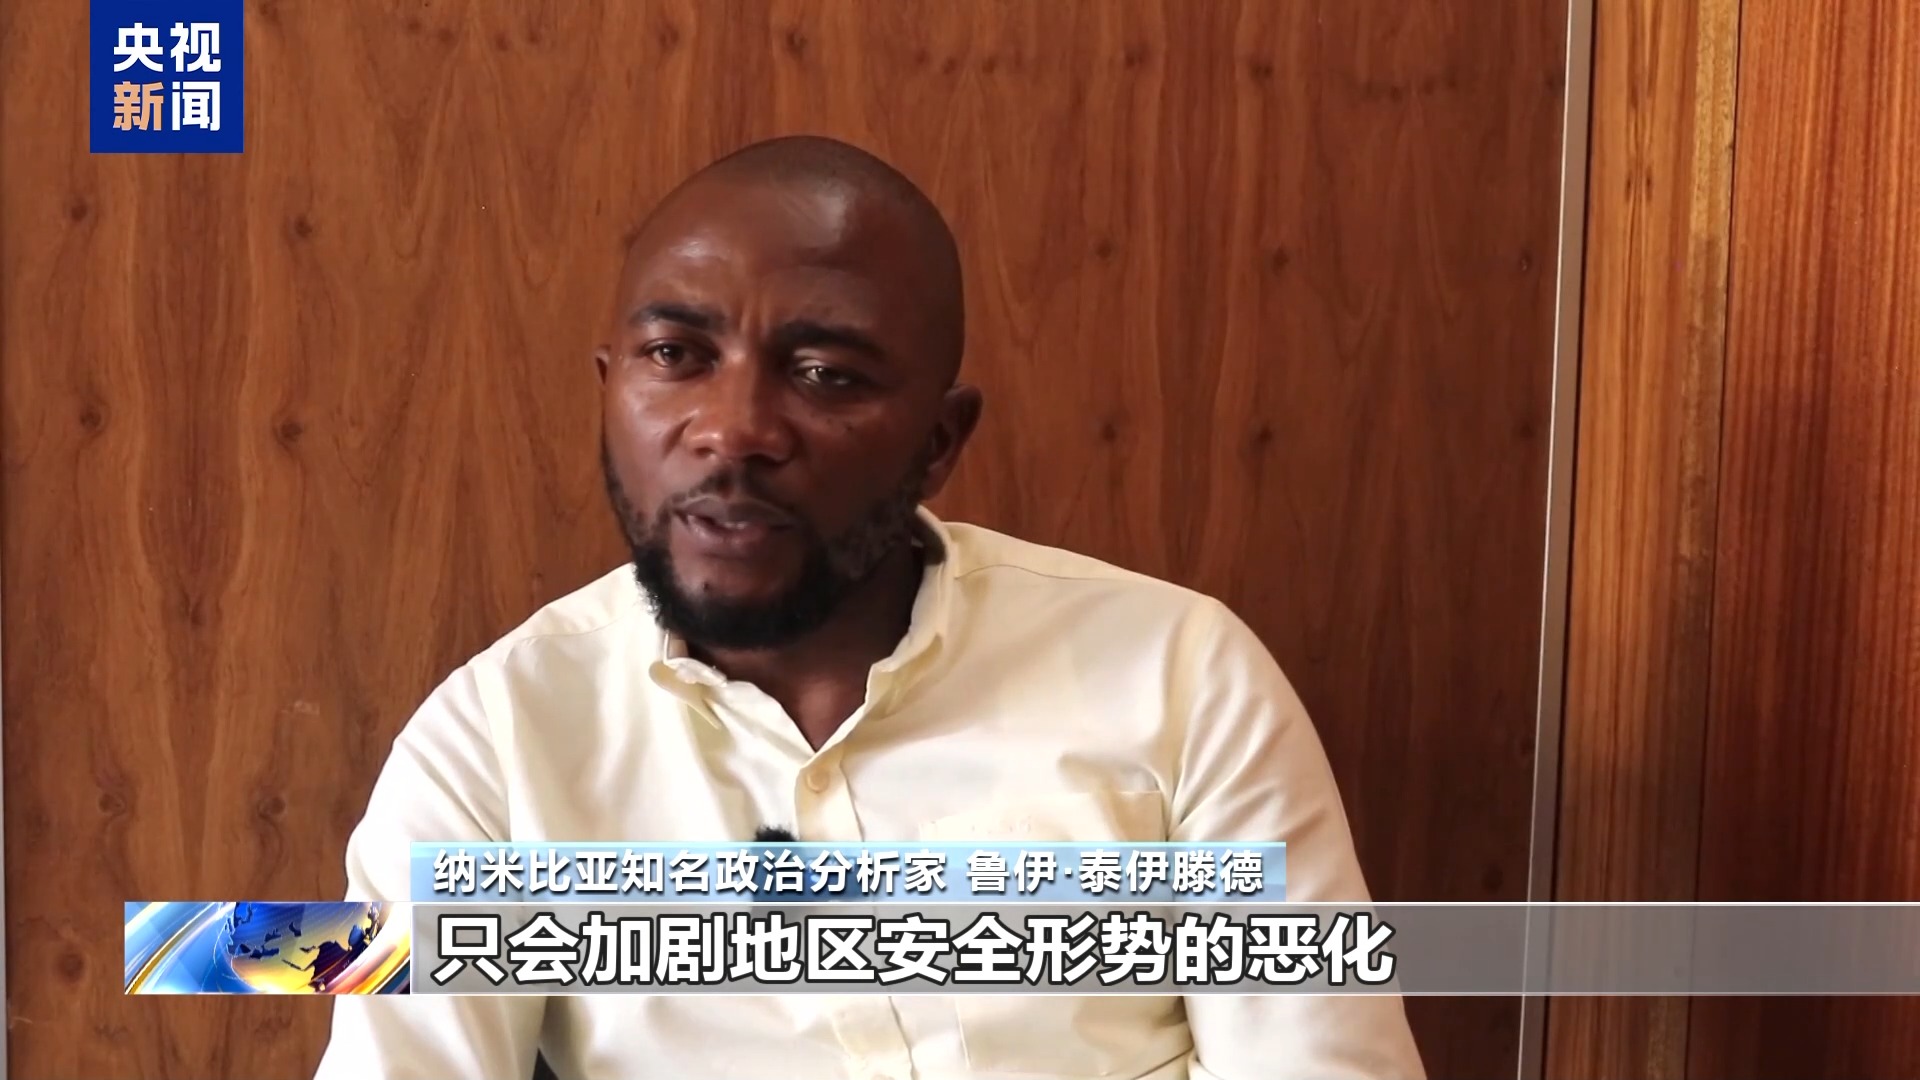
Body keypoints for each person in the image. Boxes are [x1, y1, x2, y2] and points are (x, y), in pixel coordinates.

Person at [316, 135, 1425, 1080]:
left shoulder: (1181, 675)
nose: (733, 429)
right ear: (609, 388)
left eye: (826, 373)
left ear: (939, 441)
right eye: (676, 355)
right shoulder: (492, 746)